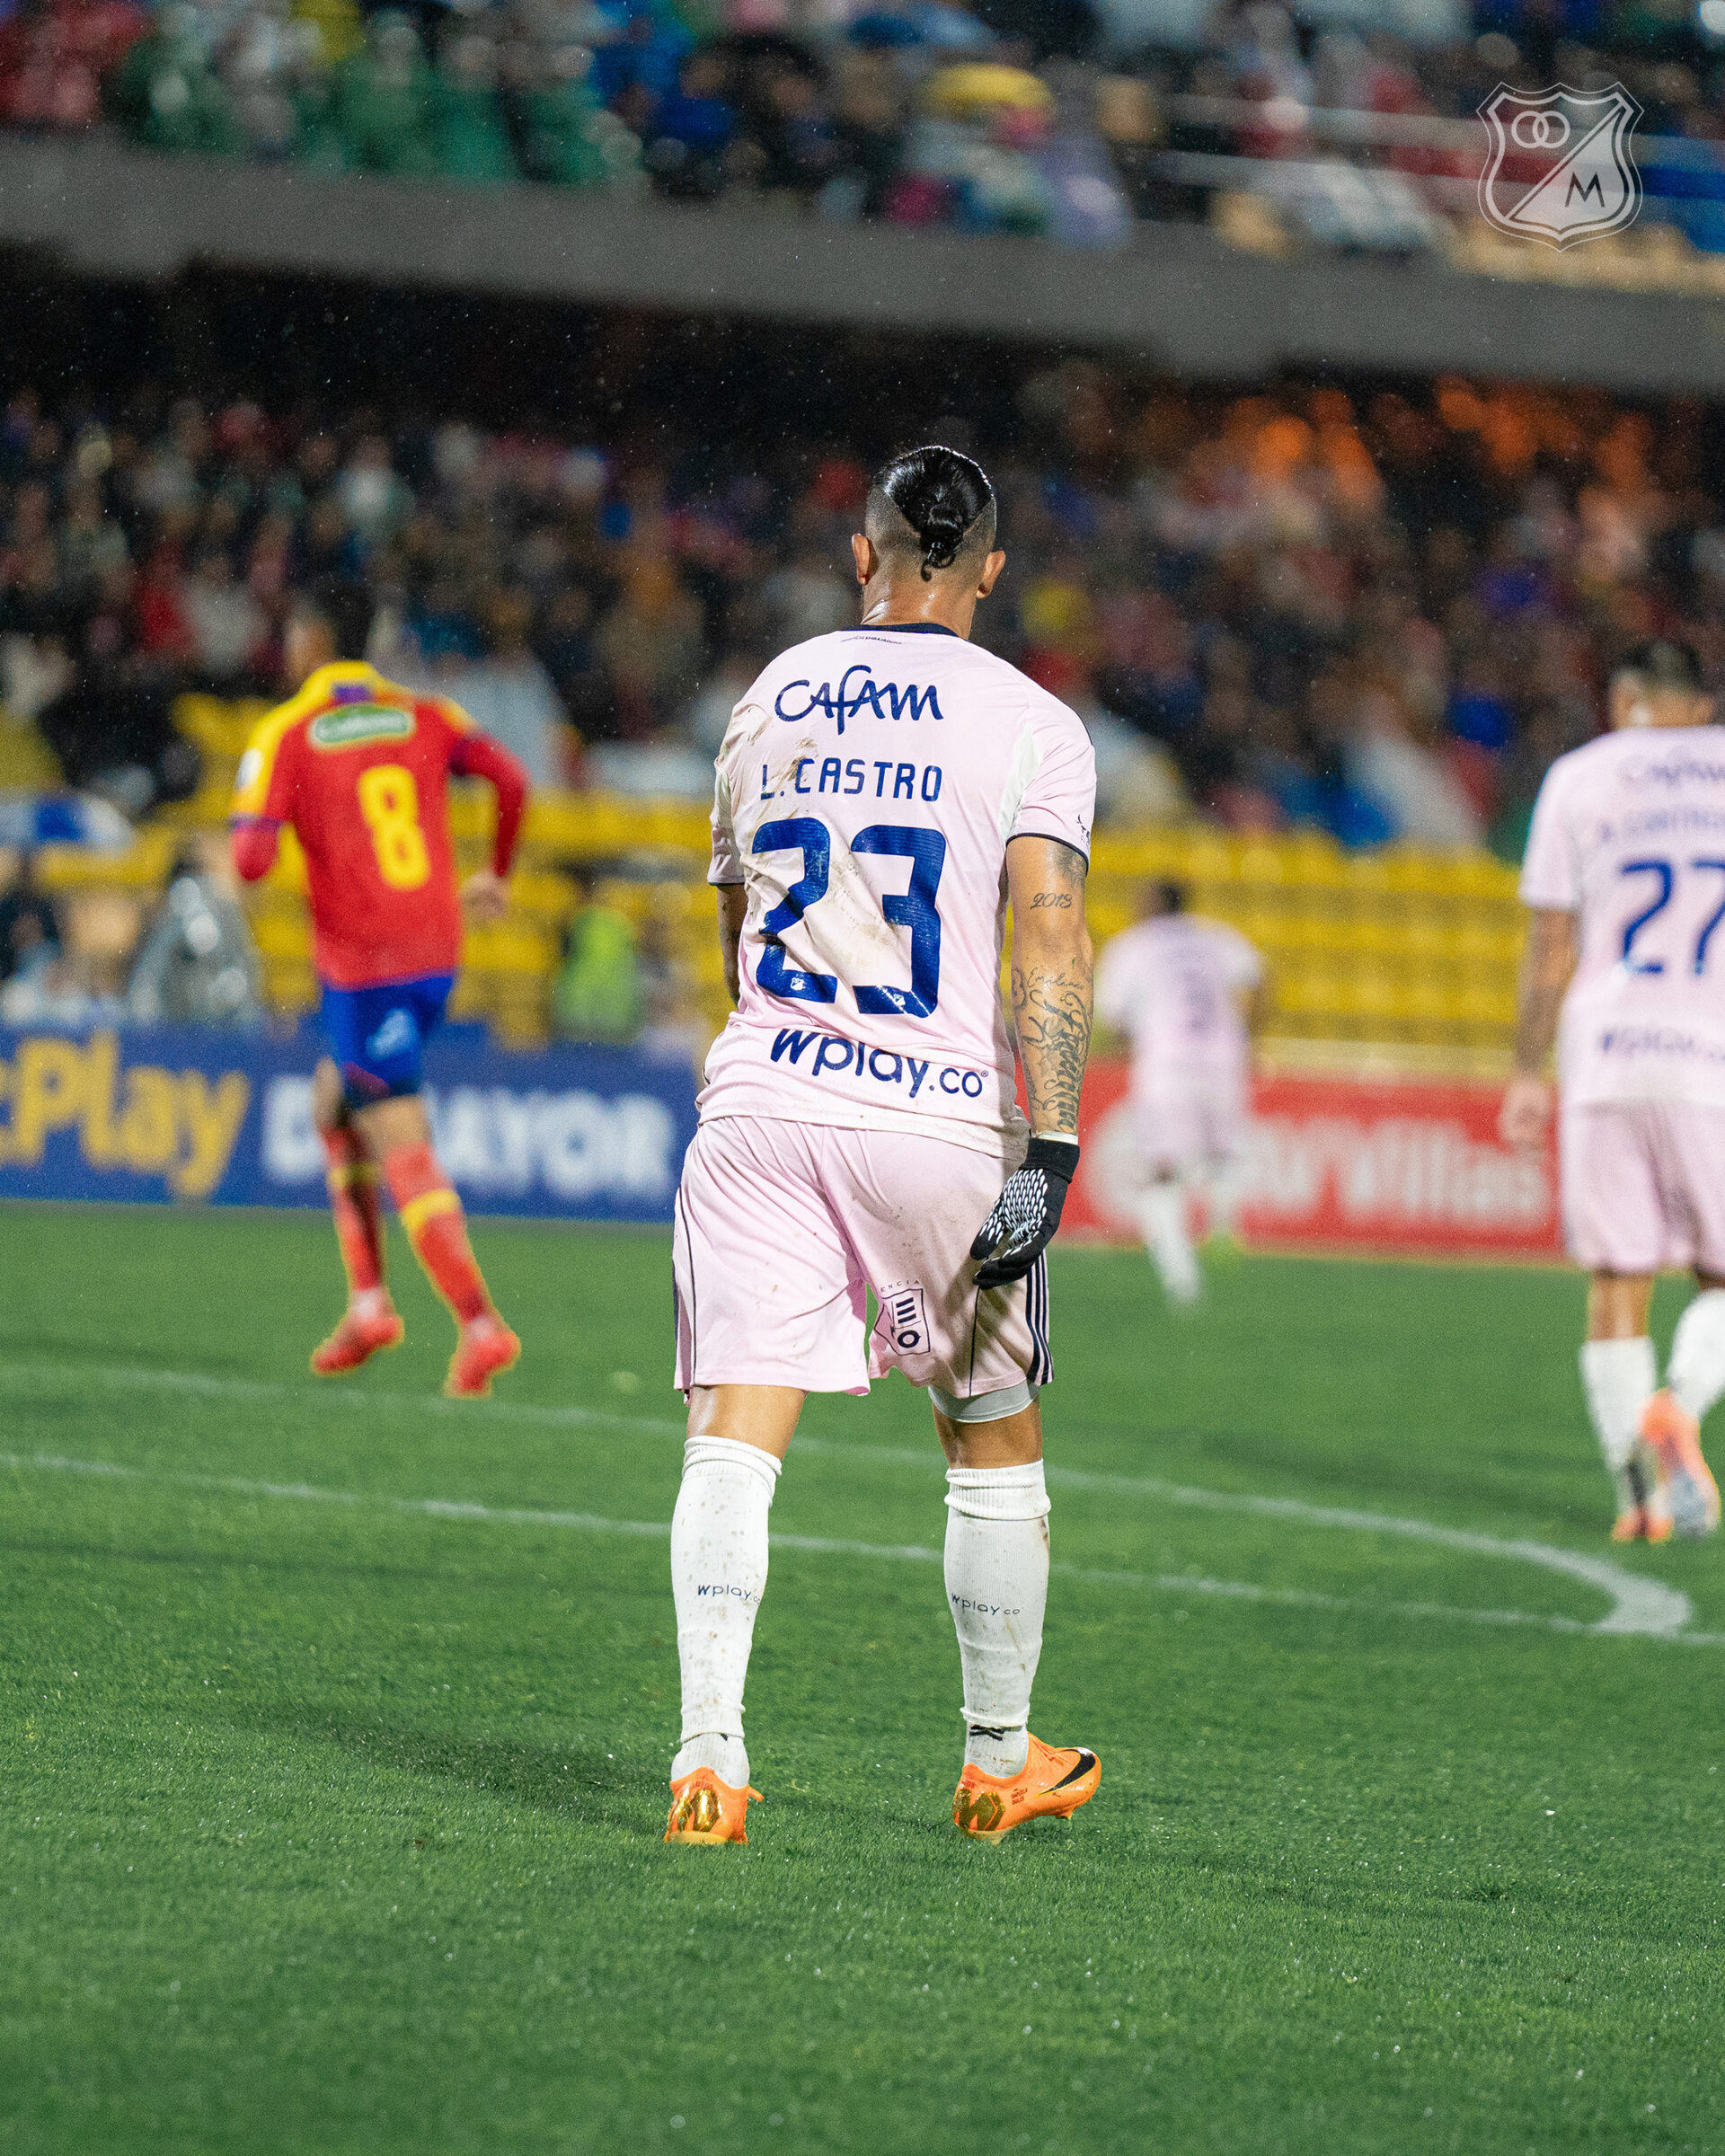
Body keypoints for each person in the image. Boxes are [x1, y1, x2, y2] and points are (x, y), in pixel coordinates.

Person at [665, 446, 1101, 1848]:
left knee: (733, 1433)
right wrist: (1051, 1146)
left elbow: (734, 919)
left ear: (864, 558)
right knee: (990, 1430)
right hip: (938, 1118)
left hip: (763, 1103)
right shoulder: (1035, 725)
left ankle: (709, 1761)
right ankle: (996, 1761)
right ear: (991, 571)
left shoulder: (770, 693)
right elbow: (1047, 934)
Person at [229, 579, 530, 1399]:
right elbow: (510, 780)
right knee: (333, 1105)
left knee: (399, 1137)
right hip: (437, 950)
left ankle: (479, 1323)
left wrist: (272, 822)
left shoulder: (286, 731)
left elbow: (250, 862)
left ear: (311, 639)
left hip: (367, 967)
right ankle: (368, 1304)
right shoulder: (424, 713)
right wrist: (497, 872)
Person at [1501, 638, 1725, 1542]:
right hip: (1711, 1050)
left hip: (1603, 1051)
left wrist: (1527, 1071)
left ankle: (1638, 1499)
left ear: (1624, 699)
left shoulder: (1579, 776)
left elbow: (1550, 947)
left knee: (1617, 1276)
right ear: (1701, 706)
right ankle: (1682, 1401)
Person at [1094, 879, 1268, 1306]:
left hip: (1168, 1065)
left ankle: (1183, 1285)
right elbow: (1260, 978)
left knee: (1160, 1172)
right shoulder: (1215, 937)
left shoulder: (1133, 945)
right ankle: (1224, 1230)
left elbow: (1112, 1018)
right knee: (1221, 1158)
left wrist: (1126, 1039)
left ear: (1153, 903)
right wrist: (1252, 1036)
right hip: (1224, 1061)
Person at [128, 834, 262, 1029]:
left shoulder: (227, 912)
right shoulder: (187, 902)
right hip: (177, 1026)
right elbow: (149, 978)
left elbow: (241, 978)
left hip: (205, 1027)